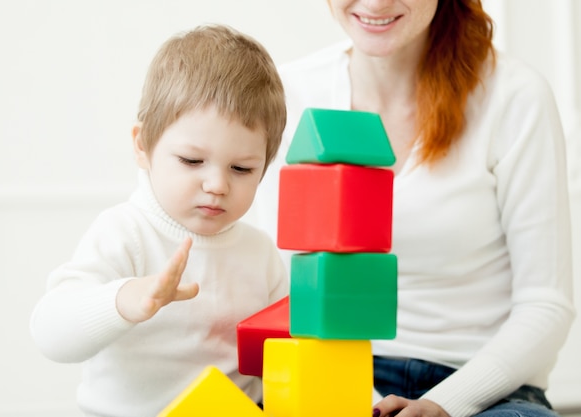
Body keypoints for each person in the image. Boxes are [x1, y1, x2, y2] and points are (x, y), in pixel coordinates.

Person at [253, 1, 576, 417]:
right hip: (333, 374)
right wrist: (365, 403)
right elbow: (281, 287)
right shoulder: (289, 94)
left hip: (483, 390)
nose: (375, 3)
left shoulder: (514, 96)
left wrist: (445, 403)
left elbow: (545, 306)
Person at [30, 24, 288, 417]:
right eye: (192, 161)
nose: (217, 184)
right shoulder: (125, 233)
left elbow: (295, 353)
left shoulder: (260, 253)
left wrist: (367, 402)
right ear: (142, 145)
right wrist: (124, 300)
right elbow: (50, 333)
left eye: (241, 168)